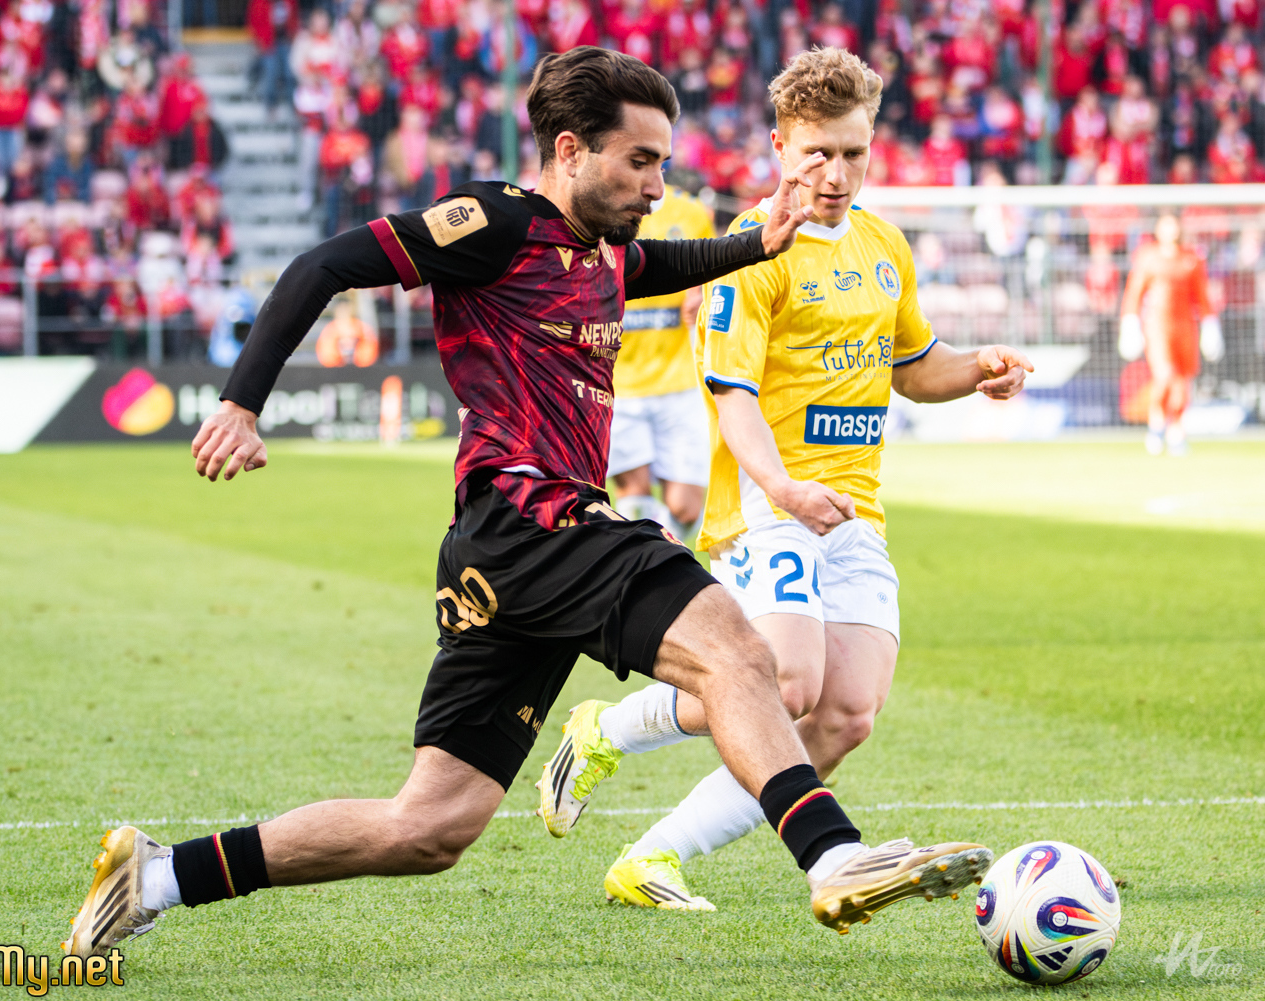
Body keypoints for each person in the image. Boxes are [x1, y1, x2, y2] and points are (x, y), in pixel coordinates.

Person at [62, 47, 992, 961]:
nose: (657, 184)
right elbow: (322, 265)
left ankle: (158, 876)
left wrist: (755, 243)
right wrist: (240, 403)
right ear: (569, 150)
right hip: (534, 513)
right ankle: (833, 856)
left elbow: (659, 263)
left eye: (663, 162)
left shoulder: (599, 249)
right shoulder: (498, 222)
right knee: (738, 650)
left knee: (429, 825)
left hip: (502, 555)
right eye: (639, 161)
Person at [535, 47, 1029, 913]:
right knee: (786, 681)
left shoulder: (883, 246)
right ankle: (605, 729)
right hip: (767, 502)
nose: (835, 174)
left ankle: (652, 854)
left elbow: (914, 365)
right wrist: (787, 489)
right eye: (817, 154)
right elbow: (732, 399)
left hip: (854, 510)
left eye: (853, 153)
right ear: (779, 147)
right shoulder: (752, 250)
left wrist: (978, 367)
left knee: (846, 714)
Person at [607, 183, 714, 541]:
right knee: (634, 495)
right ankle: (649, 570)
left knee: (686, 508)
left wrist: (703, 297)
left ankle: (657, 555)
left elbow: (712, 280)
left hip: (679, 382)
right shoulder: (603, 210)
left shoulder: (692, 214)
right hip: (619, 384)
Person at [1119, 213, 1221, 456]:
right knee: (1164, 375)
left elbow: (1202, 296)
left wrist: (1210, 326)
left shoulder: (1191, 259)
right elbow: (1134, 293)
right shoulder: (1148, 257)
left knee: (1182, 381)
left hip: (1185, 326)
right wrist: (1130, 323)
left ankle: (1176, 430)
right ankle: (1156, 424)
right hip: (1158, 326)